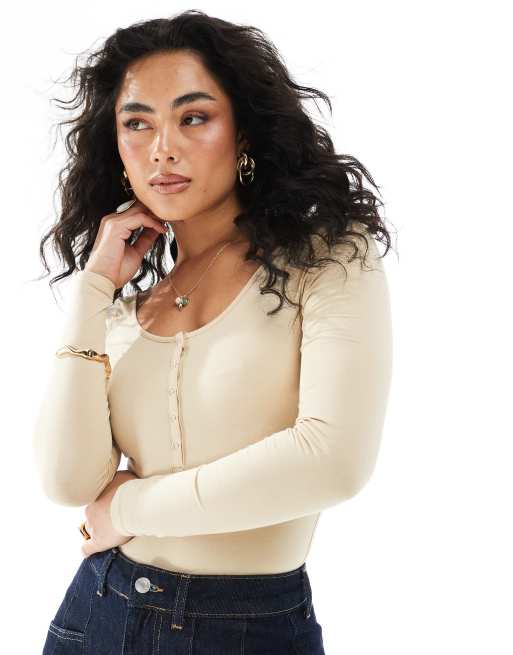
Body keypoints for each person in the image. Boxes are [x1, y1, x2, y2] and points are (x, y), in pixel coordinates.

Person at [32, 10, 394, 654]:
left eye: (193, 118)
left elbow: (332, 461)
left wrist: (127, 509)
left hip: (252, 628)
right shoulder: (123, 311)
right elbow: (67, 483)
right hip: (99, 615)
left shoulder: (327, 259)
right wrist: (92, 288)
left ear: (243, 131)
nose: (162, 148)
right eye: (137, 123)